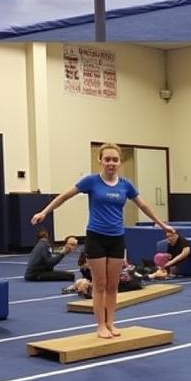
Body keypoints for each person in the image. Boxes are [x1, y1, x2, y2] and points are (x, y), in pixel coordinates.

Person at [31, 144, 174, 339]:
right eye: (107, 159)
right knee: (99, 283)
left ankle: (111, 323)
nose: (111, 163)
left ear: (119, 162)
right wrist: (44, 212)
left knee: (113, 285)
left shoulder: (126, 185)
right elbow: (65, 196)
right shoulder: (91, 181)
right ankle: (100, 325)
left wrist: (161, 224)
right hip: (96, 237)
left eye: (115, 160)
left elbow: (144, 205)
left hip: (116, 238)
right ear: (101, 160)